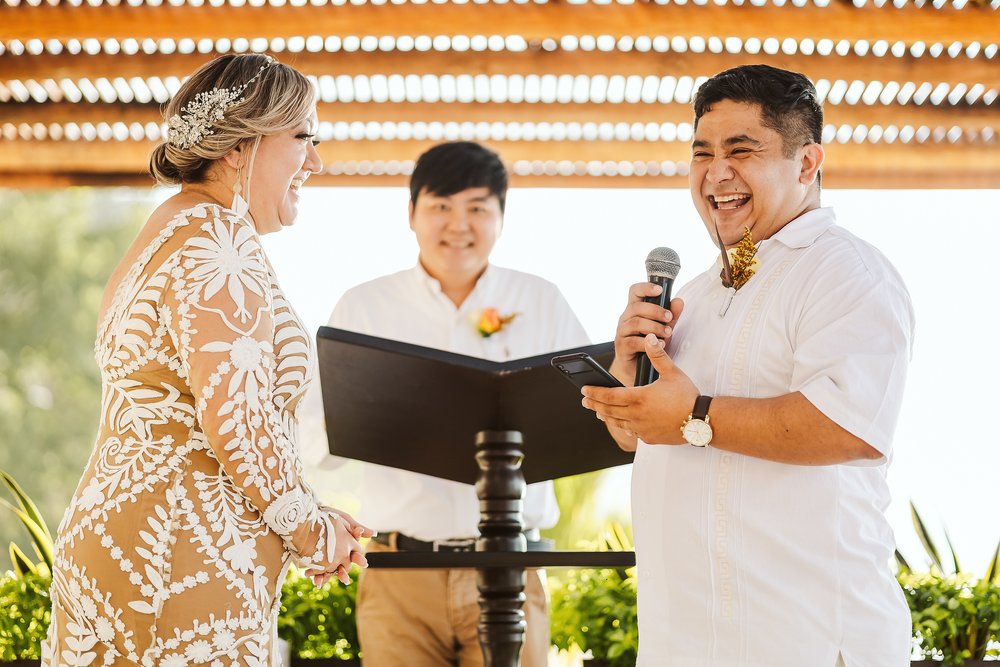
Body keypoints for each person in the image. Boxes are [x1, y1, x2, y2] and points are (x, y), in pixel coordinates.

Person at [42, 53, 371, 667]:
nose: (317, 161)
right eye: (303, 138)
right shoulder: (218, 240)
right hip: (178, 547)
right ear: (240, 147)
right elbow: (237, 423)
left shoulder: (162, 232)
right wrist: (313, 531)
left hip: (122, 537)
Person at [581, 65, 915, 666]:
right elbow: (641, 436)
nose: (716, 173)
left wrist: (694, 416)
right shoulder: (701, 290)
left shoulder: (844, 271)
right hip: (686, 643)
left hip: (801, 640)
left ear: (807, 163)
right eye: (701, 153)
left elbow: (847, 427)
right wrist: (628, 381)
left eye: (742, 150)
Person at [321, 141, 589, 666]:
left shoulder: (541, 301)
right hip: (400, 574)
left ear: (501, 217)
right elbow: (319, 435)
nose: (458, 224)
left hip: (509, 565)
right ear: (412, 213)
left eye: (477, 208)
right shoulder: (364, 307)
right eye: (441, 206)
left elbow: (586, 413)